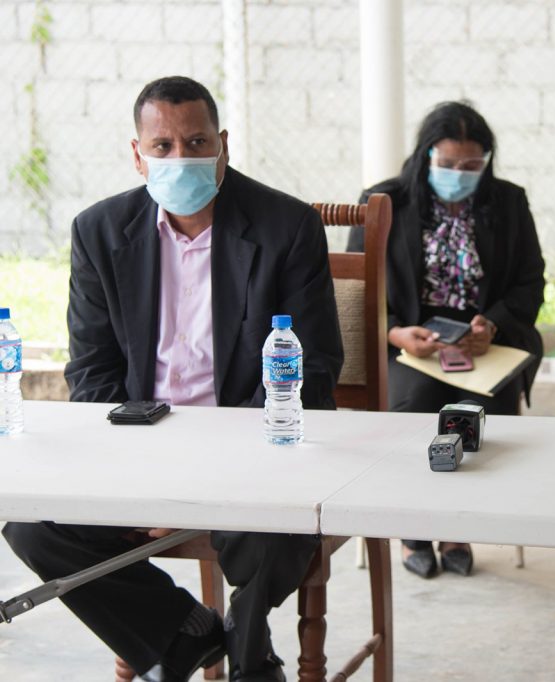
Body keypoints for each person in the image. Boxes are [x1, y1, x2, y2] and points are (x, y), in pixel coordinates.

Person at [3, 76, 343, 682]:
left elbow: (312, 368)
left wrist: (206, 481)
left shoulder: (286, 225)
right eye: (162, 146)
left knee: (272, 529)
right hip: (142, 447)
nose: (180, 157)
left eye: (197, 142)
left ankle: (247, 646)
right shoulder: (99, 231)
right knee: (34, 526)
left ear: (223, 146)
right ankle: (185, 633)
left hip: (255, 452)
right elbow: (92, 372)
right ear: (137, 155)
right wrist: (150, 478)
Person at [347, 101, 545, 579]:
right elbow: (356, 287)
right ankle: (412, 529)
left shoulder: (508, 202)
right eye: (449, 163)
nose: (459, 174)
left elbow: (530, 281)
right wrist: (394, 331)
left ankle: (457, 527)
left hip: (484, 341)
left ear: (487, 161)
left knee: (480, 413)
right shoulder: (384, 201)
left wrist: (491, 325)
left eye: (471, 165)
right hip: (407, 340)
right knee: (413, 404)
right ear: (426, 155)